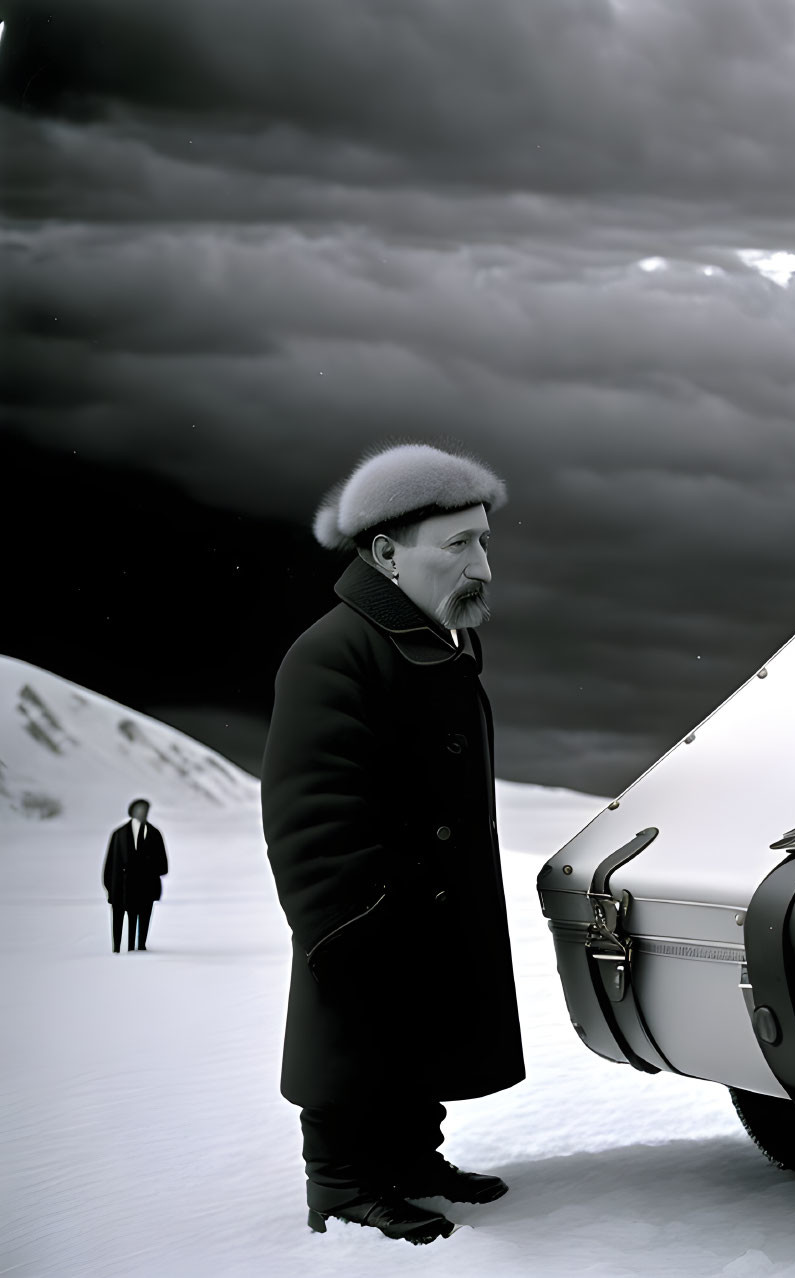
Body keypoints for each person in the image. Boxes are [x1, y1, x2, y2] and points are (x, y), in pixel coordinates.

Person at [262, 442, 524, 1245]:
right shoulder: (333, 651)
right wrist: (356, 912)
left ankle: (410, 1159)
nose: (481, 563)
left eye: (482, 540)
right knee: (358, 1035)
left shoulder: (427, 644)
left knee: (422, 1031)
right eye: (457, 544)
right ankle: (341, 1184)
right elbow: (310, 812)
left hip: (425, 897)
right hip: (371, 905)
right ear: (385, 552)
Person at [102, 798, 167, 952]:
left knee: (143, 922)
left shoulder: (154, 834)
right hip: (121, 888)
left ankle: (139, 946)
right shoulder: (119, 834)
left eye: (145, 810)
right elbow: (110, 863)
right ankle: (117, 948)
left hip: (146, 889)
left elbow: (163, 867)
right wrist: (110, 887)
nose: (143, 813)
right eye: (139, 809)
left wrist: (148, 868)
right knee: (118, 921)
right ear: (132, 811)